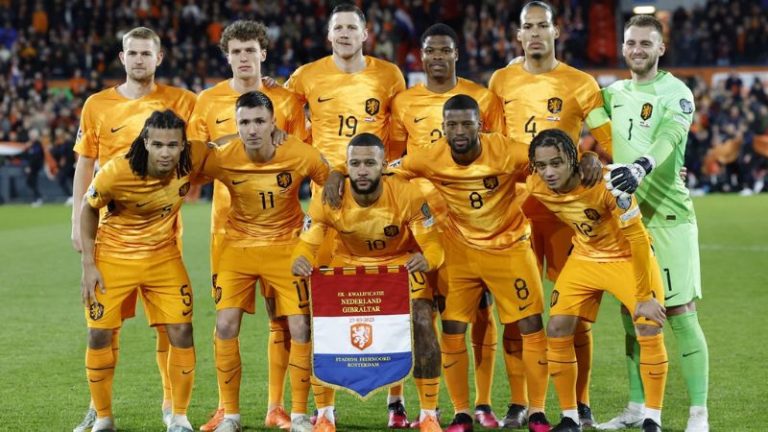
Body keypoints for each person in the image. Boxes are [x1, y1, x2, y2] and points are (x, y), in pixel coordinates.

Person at [393, 94, 552, 432]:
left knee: (530, 326)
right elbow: (388, 171)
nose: (460, 131)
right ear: (443, 127)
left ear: (480, 124)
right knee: (452, 329)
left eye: (467, 123)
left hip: (509, 249)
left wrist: (589, 160)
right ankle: (462, 414)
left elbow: (550, 159)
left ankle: (537, 411)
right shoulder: (430, 156)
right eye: (452, 125)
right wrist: (338, 175)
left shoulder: (507, 150)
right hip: (459, 252)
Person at [488, 1, 612, 427]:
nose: (536, 33)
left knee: (572, 315)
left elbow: (608, 138)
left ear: (557, 32)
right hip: (514, 212)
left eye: (543, 26)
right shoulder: (501, 80)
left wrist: (594, 157)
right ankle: (520, 401)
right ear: (518, 34)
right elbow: (491, 141)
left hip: (565, 215)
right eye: (529, 27)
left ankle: (581, 402)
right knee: (516, 314)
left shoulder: (581, 83)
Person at [284, 3, 406, 425]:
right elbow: (286, 119)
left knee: (392, 302)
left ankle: (396, 402)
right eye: (338, 27)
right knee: (323, 307)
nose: (345, 33)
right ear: (329, 34)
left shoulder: (389, 75)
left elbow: (398, 135)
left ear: (365, 33)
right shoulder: (306, 76)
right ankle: (325, 408)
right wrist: (325, 170)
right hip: (328, 203)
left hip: (380, 200)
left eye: (352, 27)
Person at [71, 26, 196, 432]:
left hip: (164, 230)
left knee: (170, 324)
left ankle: (172, 406)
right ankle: (99, 408)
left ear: (158, 58)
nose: (139, 59)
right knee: (104, 328)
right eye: (133, 53)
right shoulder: (97, 104)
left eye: (146, 53)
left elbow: (209, 145)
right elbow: (85, 163)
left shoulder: (183, 101)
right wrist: (77, 225)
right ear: (122, 57)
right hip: (109, 229)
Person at [186, 20, 308, 432]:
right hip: (228, 231)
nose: (243, 58)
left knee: (283, 318)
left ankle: (278, 407)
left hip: (283, 231)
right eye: (236, 51)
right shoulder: (207, 102)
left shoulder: (286, 100)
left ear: (263, 54)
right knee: (226, 321)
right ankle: (226, 409)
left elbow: (300, 155)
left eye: (250, 50)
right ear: (226, 56)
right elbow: (196, 166)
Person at [388, 22, 505, 428]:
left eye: (444, 50)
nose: (437, 57)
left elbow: (497, 154)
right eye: (430, 50)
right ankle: (419, 405)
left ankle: (483, 403)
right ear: (421, 56)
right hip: (419, 223)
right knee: (420, 312)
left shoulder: (482, 98)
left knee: (480, 312)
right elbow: (395, 160)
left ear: (457, 54)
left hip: (470, 222)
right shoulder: (404, 102)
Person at [291, 132, 444, 432]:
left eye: (370, 163)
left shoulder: (406, 194)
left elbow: (434, 246)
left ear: (383, 166)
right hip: (349, 267)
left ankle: (428, 414)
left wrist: (428, 260)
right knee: (315, 323)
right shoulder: (330, 198)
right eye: (355, 164)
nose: (362, 170)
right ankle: (325, 414)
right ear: (346, 166)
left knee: (423, 321)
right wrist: (300, 258)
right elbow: (307, 243)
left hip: (398, 267)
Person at [194, 91, 329, 432]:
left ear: (273, 123)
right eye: (244, 122)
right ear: (236, 125)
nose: (252, 129)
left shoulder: (297, 152)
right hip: (238, 248)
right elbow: (188, 165)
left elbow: (331, 181)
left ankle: (299, 415)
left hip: (286, 248)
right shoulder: (223, 156)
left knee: (300, 326)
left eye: (259, 121)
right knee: (225, 325)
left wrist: (313, 227)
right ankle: (231, 415)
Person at [601, 15, 709, 432]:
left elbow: (670, 135)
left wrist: (643, 165)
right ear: (623, 47)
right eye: (631, 42)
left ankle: (698, 414)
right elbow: (583, 112)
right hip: (628, 220)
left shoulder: (676, 92)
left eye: (646, 43)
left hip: (669, 218)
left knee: (680, 311)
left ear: (661, 48)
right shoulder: (614, 93)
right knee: (633, 314)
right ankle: (635, 407)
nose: (637, 49)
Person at [527, 128, 668, 432]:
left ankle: (652, 418)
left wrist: (645, 296)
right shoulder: (536, 185)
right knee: (557, 327)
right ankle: (570, 417)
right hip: (585, 257)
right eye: (542, 165)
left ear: (573, 160)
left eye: (556, 163)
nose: (549, 172)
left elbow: (638, 240)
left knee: (648, 325)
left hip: (627, 257)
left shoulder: (610, 185)